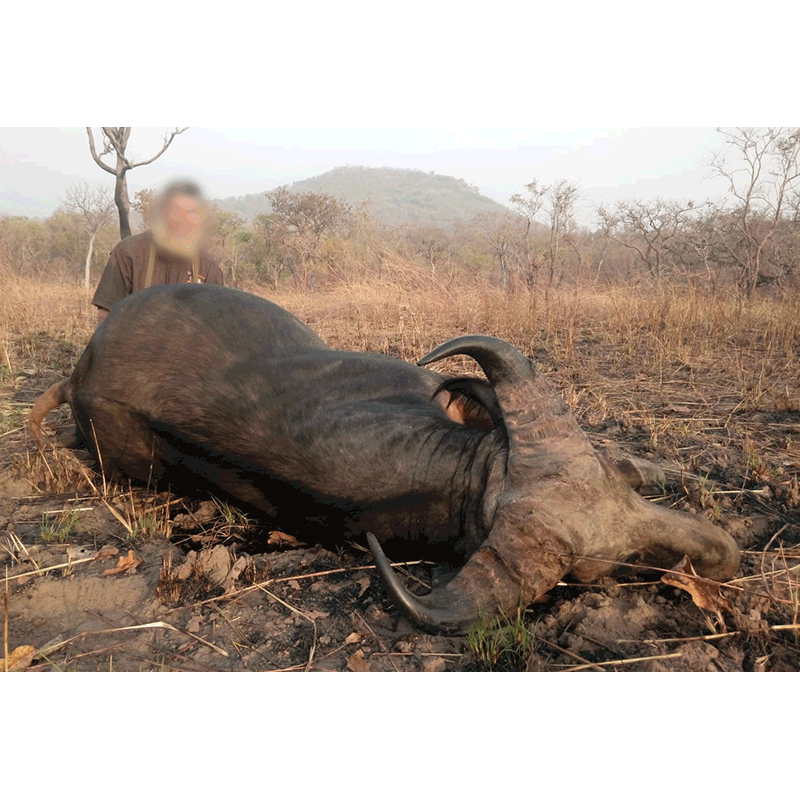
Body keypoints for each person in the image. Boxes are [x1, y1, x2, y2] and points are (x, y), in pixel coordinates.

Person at [92, 180, 224, 325]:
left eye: (191, 213)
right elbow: (106, 316)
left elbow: (214, 328)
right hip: (132, 344)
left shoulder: (208, 268)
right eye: (177, 211)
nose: (183, 220)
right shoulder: (128, 253)